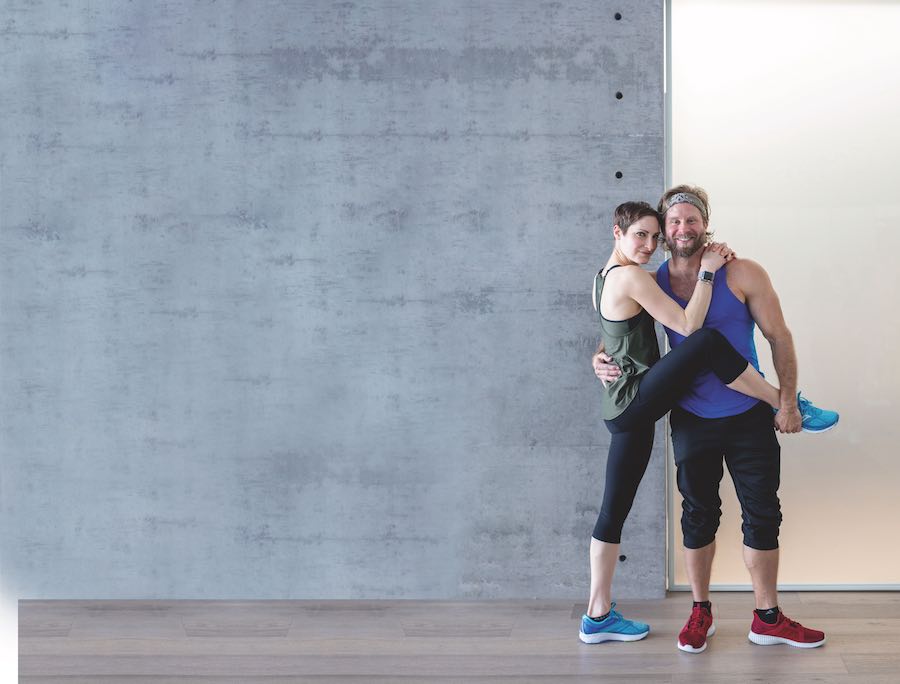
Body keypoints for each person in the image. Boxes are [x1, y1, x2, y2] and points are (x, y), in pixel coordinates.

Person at [592, 186, 836, 653]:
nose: (683, 229)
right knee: (698, 516)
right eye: (674, 222)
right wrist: (599, 358)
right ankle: (700, 612)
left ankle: (767, 617)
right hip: (691, 414)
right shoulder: (653, 277)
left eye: (692, 220)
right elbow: (620, 324)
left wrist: (784, 402)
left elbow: (779, 336)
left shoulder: (741, 271)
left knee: (763, 515)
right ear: (664, 230)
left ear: (706, 223)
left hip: (748, 413)